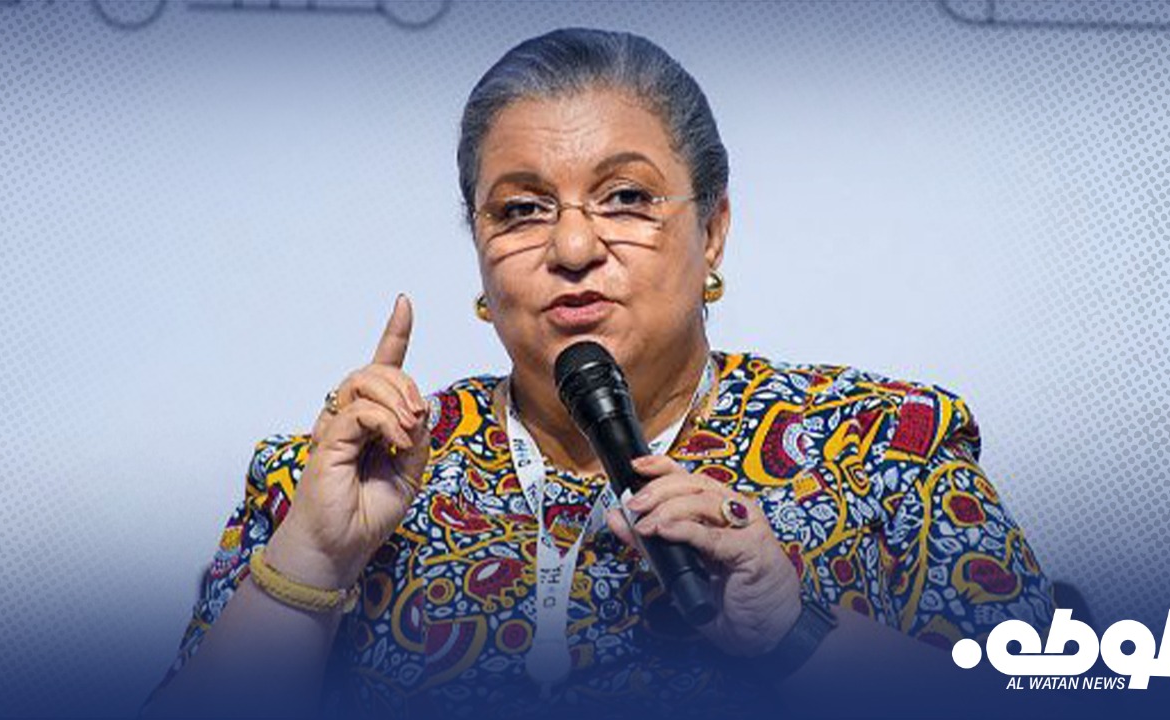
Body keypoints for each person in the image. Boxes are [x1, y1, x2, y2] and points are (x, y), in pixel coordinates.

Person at [142, 27, 1054, 719]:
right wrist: (314, 561)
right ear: (480, 250)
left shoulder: (882, 446)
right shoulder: (357, 465)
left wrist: (795, 631)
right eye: (521, 209)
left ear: (713, 232)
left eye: (626, 198)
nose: (573, 247)